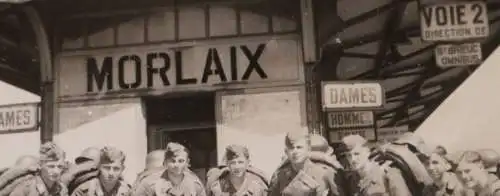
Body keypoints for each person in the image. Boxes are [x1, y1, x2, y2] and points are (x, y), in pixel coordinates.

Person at [268, 132, 342, 196]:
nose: (295, 152)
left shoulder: (325, 174)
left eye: (299, 147)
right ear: (286, 151)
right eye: (291, 148)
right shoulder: (280, 177)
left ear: (308, 149)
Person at [342, 134, 412, 196]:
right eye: (348, 155)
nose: (352, 159)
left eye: (357, 154)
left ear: (367, 152)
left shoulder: (388, 173)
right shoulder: (352, 180)